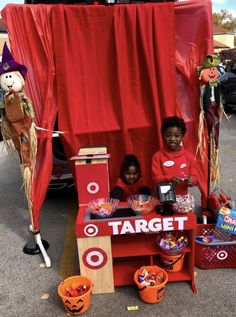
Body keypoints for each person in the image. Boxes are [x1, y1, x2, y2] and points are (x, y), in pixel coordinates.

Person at [152, 116, 198, 196]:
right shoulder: (157, 156)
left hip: (183, 201)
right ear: (163, 136)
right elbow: (156, 178)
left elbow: (196, 178)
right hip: (163, 198)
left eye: (177, 136)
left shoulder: (188, 157)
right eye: (168, 135)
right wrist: (169, 179)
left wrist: (192, 180)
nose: (172, 139)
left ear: (182, 136)